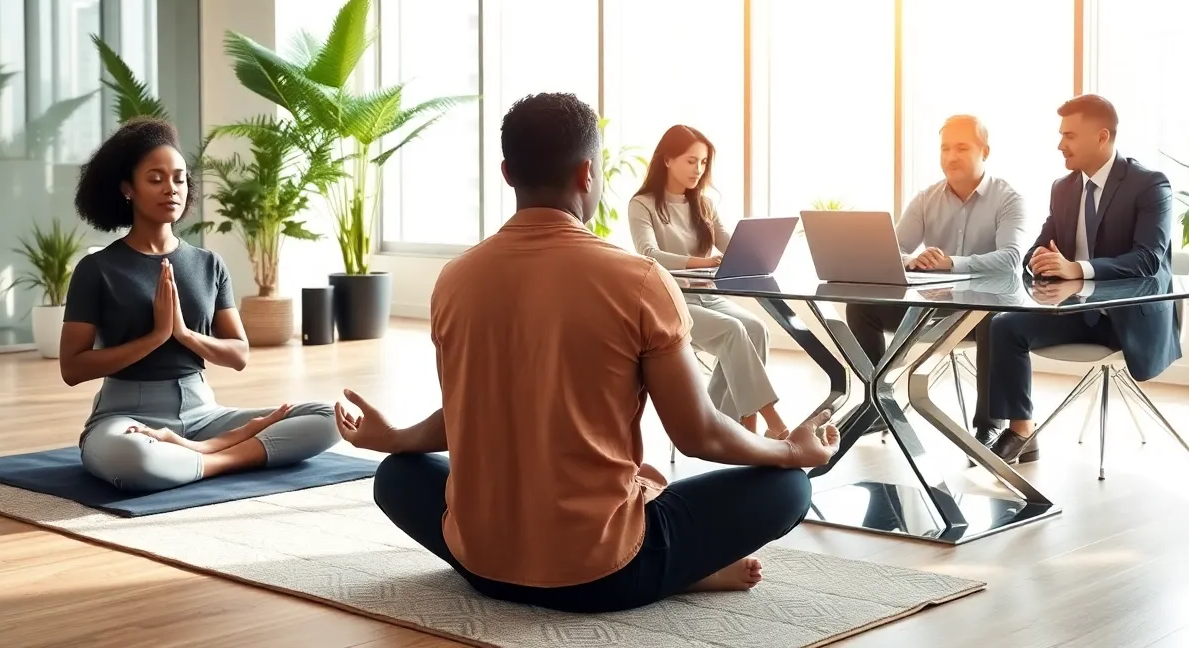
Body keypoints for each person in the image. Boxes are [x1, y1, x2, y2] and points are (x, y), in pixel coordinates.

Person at [335, 93, 839, 614]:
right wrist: (791, 452)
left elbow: (465, 411)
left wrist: (391, 438)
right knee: (789, 490)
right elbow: (699, 434)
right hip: (602, 574)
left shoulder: (453, 280)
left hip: (482, 564)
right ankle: (676, 570)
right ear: (588, 174)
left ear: (507, 173)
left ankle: (659, 564)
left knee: (397, 475)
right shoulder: (640, 281)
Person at [60, 117, 339, 492]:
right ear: (128, 189)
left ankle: (205, 455)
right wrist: (156, 336)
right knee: (133, 459)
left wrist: (184, 335)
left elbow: (238, 354)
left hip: (203, 412)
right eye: (155, 179)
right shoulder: (97, 269)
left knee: (331, 417)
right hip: (126, 415)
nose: (171, 189)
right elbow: (72, 367)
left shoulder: (209, 264)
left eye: (178, 178)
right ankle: (225, 454)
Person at [987, 94, 1179, 463]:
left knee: (1006, 324)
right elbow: (1038, 250)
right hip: (1076, 312)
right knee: (1004, 325)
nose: (1060, 144)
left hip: (1126, 319)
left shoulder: (1150, 184)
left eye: (1070, 135)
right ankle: (1021, 431)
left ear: (1102, 136)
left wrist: (1078, 269)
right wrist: (1040, 261)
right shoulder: (1063, 188)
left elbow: (1148, 260)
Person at [833, 114, 1028, 445]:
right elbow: (892, 251)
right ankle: (877, 405)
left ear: (986, 151)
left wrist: (950, 263)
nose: (951, 156)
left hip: (982, 309)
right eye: (945, 148)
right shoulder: (926, 198)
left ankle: (988, 423)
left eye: (962, 147)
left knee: (993, 318)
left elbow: (1010, 259)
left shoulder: (1007, 198)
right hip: (934, 306)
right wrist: (913, 260)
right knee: (861, 306)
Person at [626, 124, 791, 440]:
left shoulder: (704, 204)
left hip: (709, 296)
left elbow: (727, 243)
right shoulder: (642, 204)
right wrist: (704, 261)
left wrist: (758, 249)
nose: (698, 170)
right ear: (667, 160)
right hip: (671, 303)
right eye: (691, 161)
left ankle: (727, 422)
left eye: (703, 163)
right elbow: (648, 253)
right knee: (733, 331)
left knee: (757, 329)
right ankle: (773, 423)